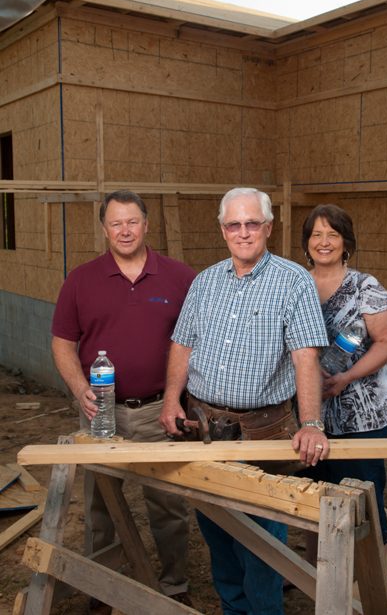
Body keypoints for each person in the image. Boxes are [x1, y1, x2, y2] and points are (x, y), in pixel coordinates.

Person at [160, 187, 330, 615]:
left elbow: (306, 356)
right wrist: (170, 401)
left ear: (268, 227)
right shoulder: (205, 282)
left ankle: (264, 610)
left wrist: (311, 423)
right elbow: (183, 344)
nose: (243, 232)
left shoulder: (293, 281)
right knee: (215, 526)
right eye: (234, 224)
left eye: (252, 223)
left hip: (262, 432)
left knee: (261, 536)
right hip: (204, 430)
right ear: (222, 230)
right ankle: (232, 608)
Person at [51, 190, 196, 612]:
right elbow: (62, 343)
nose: (125, 230)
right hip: (102, 413)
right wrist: (80, 389)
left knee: (167, 502)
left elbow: (196, 342)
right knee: (100, 504)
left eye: (132, 221)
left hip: (160, 410)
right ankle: (103, 584)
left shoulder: (180, 277)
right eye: (116, 223)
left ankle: (173, 584)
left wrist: (181, 399)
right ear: (104, 229)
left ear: (147, 225)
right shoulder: (81, 279)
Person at [301, 203, 387, 544]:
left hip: (362, 410)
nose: (324, 242)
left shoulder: (365, 286)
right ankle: (328, 559)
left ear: (347, 242)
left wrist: (346, 376)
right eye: (316, 234)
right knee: (319, 485)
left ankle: (374, 558)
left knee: (361, 485)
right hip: (312, 410)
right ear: (306, 243)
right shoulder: (296, 285)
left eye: (333, 234)